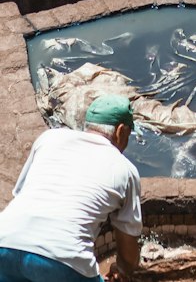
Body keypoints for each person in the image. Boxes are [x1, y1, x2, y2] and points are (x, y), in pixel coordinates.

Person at [0, 95, 142, 282]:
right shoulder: (125, 170)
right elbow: (128, 249)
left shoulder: (49, 138)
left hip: (4, 241)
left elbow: (20, 194)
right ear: (121, 131)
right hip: (62, 259)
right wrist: (122, 270)